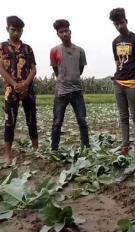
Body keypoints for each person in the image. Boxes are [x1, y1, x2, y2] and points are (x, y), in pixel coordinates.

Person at [0, 16, 38, 166]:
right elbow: (1, 69)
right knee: (10, 122)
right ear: (7, 29)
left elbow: (33, 69)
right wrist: (15, 84)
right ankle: (8, 155)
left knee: (31, 120)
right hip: (11, 89)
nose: (16, 33)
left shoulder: (28, 49)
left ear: (22, 31)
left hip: (28, 89)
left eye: (19, 30)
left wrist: (26, 83)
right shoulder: (1, 47)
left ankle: (36, 150)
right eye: (13, 30)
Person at [109, 8, 135, 155]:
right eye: (116, 24)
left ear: (126, 21)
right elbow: (116, 61)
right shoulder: (115, 42)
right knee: (123, 116)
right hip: (118, 83)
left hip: (132, 84)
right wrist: (120, 74)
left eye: (121, 23)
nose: (119, 26)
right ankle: (125, 147)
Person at [50, 19, 89, 151]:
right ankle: (54, 148)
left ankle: (86, 146)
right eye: (61, 32)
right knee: (57, 122)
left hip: (77, 90)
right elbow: (56, 70)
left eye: (66, 31)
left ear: (70, 31)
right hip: (61, 92)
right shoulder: (54, 51)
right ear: (58, 34)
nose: (64, 34)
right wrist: (63, 79)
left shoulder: (80, 50)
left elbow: (80, 69)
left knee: (82, 121)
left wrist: (73, 78)